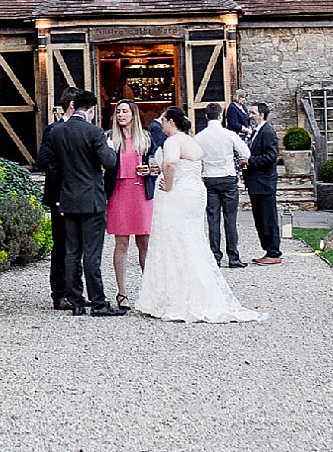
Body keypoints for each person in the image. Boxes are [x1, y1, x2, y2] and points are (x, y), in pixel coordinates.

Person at [130, 106, 264, 323]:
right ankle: (194, 291)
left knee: (171, 239)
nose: (161, 124)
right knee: (191, 238)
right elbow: (195, 166)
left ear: (171, 122)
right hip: (194, 191)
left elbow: (170, 162)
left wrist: (168, 183)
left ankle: (173, 298)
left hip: (177, 194)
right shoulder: (192, 140)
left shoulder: (173, 141)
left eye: (163, 120)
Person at [37, 90, 122, 316]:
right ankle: (98, 303)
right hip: (91, 198)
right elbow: (109, 162)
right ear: (91, 110)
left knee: (71, 252)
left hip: (67, 198)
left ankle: (75, 301)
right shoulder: (94, 132)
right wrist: (111, 149)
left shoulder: (57, 132)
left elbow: (52, 166)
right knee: (92, 253)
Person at [104, 99, 154, 308]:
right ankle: (122, 292)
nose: (121, 115)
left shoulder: (146, 138)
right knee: (121, 243)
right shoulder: (110, 138)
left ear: (133, 114)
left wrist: (150, 170)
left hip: (140, 191)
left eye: (125, 111)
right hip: (119, 191)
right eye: (118, 112)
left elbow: (156, 164)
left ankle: (150, 290)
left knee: (144, 243)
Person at [194, 104, 251, 268]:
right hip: (227, 176)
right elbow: (246, 153)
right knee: (230, 218)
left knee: (213, 219)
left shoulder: (199, 137)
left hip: (209, 178)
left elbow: (194, 157)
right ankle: (233, 257)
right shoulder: (228, 134)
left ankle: (215, 256)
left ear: (206, 116)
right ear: (220, 116)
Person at [38, 88, 79, 310]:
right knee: (62, 245)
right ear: (71, 106)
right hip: (61, 194)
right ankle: (60, 293)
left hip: (81, 195)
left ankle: (76, 291)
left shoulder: (87, 130)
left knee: (79, 246)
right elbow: (43, 160)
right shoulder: (53, 130)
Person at [243, 101, 284, 264]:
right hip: (256, 183)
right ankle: (268, 250)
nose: (250, 116)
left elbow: (271, 156)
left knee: (268, 218)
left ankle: (274, 252)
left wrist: (249, 161)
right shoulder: (255, 132)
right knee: (260, 219)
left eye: (253, 113)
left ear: (262, 114)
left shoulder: (267, 132)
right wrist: (244, 164)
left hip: (264, 183)